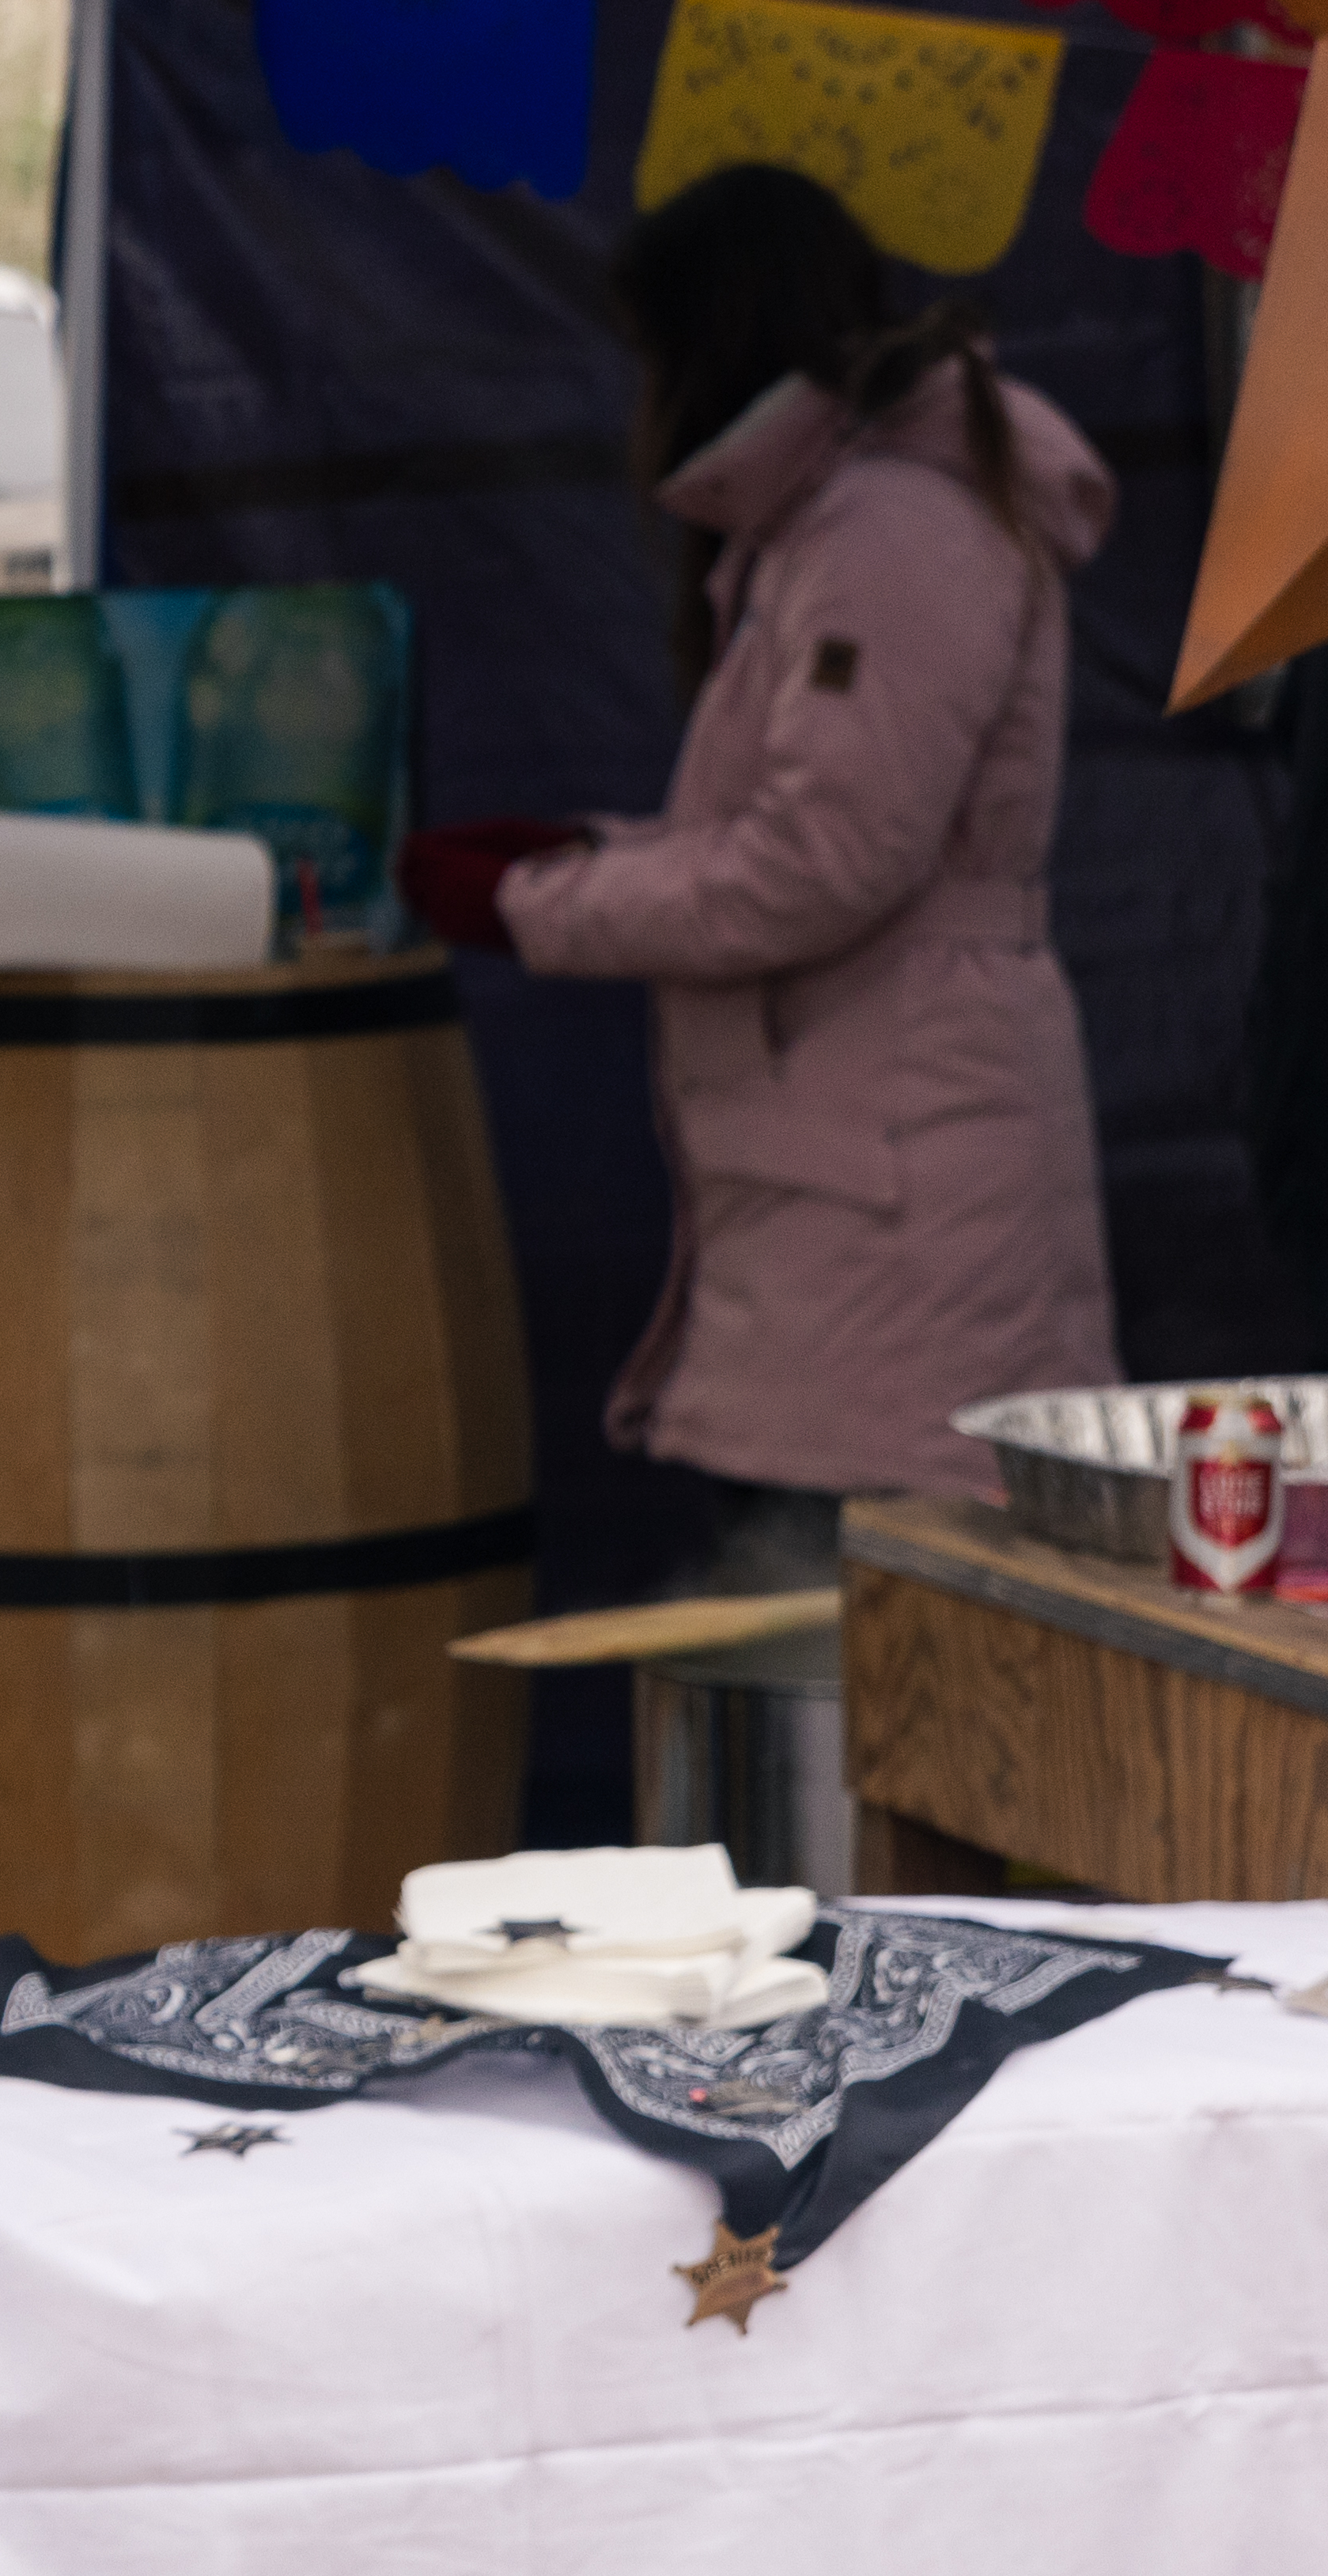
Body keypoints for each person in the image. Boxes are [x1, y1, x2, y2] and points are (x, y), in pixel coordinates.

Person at [416, 159, 1124, 1557]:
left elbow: (823, 859)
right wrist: (584, 858)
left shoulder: (893, 531)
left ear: (706, 341)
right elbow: (816, 833)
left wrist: (538, 902)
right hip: (875, 1192)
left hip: (894, 1216)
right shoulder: (860, 522)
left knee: (843, 1667)